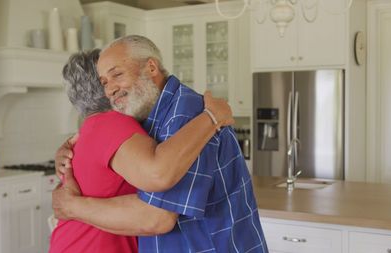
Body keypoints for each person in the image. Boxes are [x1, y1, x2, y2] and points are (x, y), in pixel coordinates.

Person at [53, 35, 268, 252]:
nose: (111, 90)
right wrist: (69, 151)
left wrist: (72, 206)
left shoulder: (187, 114)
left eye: (117, 74)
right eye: (104, 83)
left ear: (151, 67)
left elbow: (156, 217)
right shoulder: (143, 117)